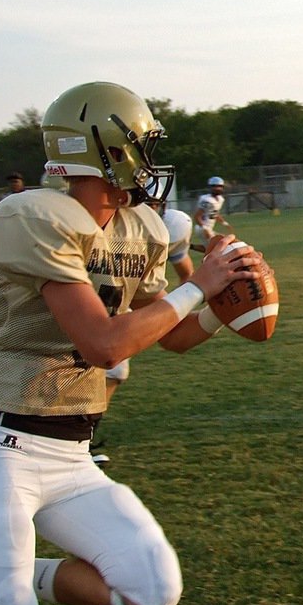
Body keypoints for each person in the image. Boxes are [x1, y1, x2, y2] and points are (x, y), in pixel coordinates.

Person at [0, 81, 264, 605]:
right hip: (1, 447)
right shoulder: (33, 216)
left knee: (152, 590)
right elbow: (103, 345)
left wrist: (226, 299)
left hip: (71, 452)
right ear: (106, 149)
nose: (149, 161)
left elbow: (171, 335)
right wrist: (197, 286)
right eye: (141, 145)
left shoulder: (138, 228)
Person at [94, 197, 196, 465]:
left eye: (151, 204)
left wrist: (204, 294)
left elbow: (186, 275)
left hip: (117, 300)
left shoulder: (168, 227)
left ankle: (79, 438)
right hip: (85, 302)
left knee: (114, 366)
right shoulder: (87, 223)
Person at [193, 176, 233, 244]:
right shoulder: (207, 200)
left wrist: (224, 223)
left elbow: (214, 213)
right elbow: (197, 216)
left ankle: (190, 246)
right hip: (202, 227)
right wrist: (205, 229)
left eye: (220, 186)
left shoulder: (220, 199)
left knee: (212, 247)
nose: (218, 188)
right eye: (215, 186)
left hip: (208, 228)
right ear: (210, 187)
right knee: (217, 246)